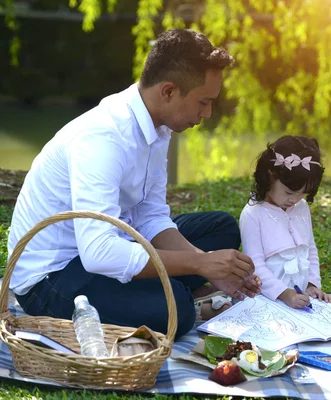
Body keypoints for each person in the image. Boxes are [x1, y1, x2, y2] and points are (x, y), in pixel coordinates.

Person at [7, 28, 261, 339]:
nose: (207, 114)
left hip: (112, 246)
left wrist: (208, 266)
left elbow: (150, 216)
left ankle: (166, 286)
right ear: (168, 91)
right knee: (177, 311)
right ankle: (174, 290)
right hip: (54, 276)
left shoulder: (158, 126)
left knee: (221, 228)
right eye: (203, 102)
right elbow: (98, 253)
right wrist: (200, 263)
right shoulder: (103, 138)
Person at [239, 135, 331, 314]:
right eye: (289, 192)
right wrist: (286, 295)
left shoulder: (300, 208)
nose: (294, 200)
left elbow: (310, 249)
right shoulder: (253, 214)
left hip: (300, 298)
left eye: (303, 194)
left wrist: (312, 284)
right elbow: (255, 267)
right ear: (270, 176)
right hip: (268, 297)